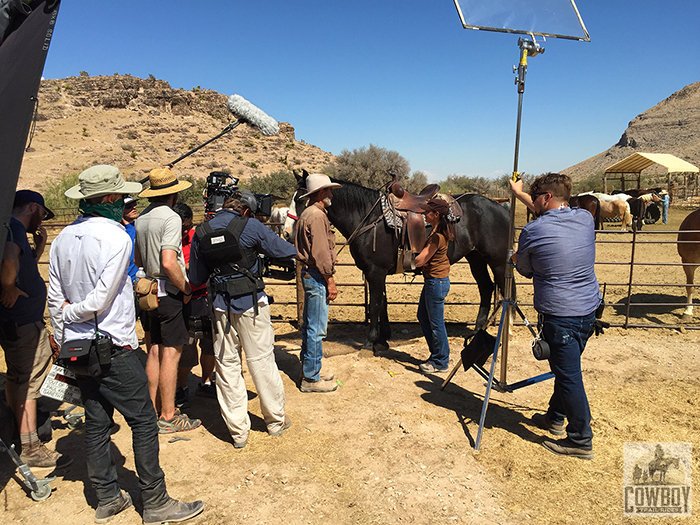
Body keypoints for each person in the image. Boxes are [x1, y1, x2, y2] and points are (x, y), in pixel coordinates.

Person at [47, 165, 204, 524]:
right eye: (121, 196)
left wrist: (62, 329)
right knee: (144, 421)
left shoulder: (63, 239)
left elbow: (55, 295)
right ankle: (155, 501)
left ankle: (106, 497)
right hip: (112, 344)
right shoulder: (118, 237)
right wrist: (73, 315)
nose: (126, 202)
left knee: (97, 419)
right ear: (110, 199)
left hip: (77, 347)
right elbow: (101, 298)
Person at [189, 192, 297, 448]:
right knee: (261, 360)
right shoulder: (251, 225)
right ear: (246, 211)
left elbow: (195, 277)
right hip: (251, 304)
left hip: (219, 307)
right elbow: (286, 250)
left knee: (226, 365)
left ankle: (238, 432)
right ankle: (275, 421)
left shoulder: (201, 231)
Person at [509, 173, 601, 460]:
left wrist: (515, 256)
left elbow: (524, 269)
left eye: (535, 198)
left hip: (560, 315)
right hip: (589, 309)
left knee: (569, 375)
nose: (532, 203)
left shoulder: (533, 231)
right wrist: (518, 192)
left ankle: (580, 439)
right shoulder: (585, 218)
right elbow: (549, 209)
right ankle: (555, 417)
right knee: (567, 368)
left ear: (546, 197)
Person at [0, 190, 71, 469]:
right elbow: (8, 259)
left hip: (15, 322)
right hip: (23, 322)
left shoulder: (11, 228)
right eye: (42, 213)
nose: (42, 219)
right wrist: (8, 288)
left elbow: (17, 262)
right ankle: (30, 446)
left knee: (17, 377)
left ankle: (18, 431)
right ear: (32, 207)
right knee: (29, 381)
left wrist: (38, 248)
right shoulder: (15, 228)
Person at [134, 167, 201, 433]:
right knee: (172, 354)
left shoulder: (142, 217)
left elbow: (139, 260)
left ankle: (152, 409)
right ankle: (169, 415)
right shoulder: (171, 218)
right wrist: (186, 289)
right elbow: (169, 262)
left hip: (148, 291)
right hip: (170, 291)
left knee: (153, 350)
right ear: (173, 193)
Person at [294, 174, 341, 393]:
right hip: (317, 276)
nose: (331, 194)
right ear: (321, 193)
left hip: (311, 273)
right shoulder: (317, 216)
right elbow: (320, 252)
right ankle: (311, 379)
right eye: (329, 191)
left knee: (310, 325)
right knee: (317, 328)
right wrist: (330, 279)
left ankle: (311, 368)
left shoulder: (308, 213)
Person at [172, 201, 216, 409]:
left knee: (210, 343)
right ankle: (181, 388)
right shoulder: (168, 241)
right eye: (183, 228)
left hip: (204, 296)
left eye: (189, 226)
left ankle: (206, 382)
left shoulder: (197, 236)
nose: (186, 231)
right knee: (186, 347)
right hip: (183, 300)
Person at [415, 198, 454, 374]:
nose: (424, 214)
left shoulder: (437, 237)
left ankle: (440, 361)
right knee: (423, 316)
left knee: (436, 323)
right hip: (435, 281)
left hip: (435, 282)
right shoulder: (438, 232)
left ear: (436, 214)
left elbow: (421, 259)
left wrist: (407, 260)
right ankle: (437, 355)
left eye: (427, 212)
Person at [121, 195, 139, 283]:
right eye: (128, 206)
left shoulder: (140, 226)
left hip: (142, 281)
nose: (134, 207)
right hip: (126, 282)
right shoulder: (119, 231)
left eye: (134, 204)